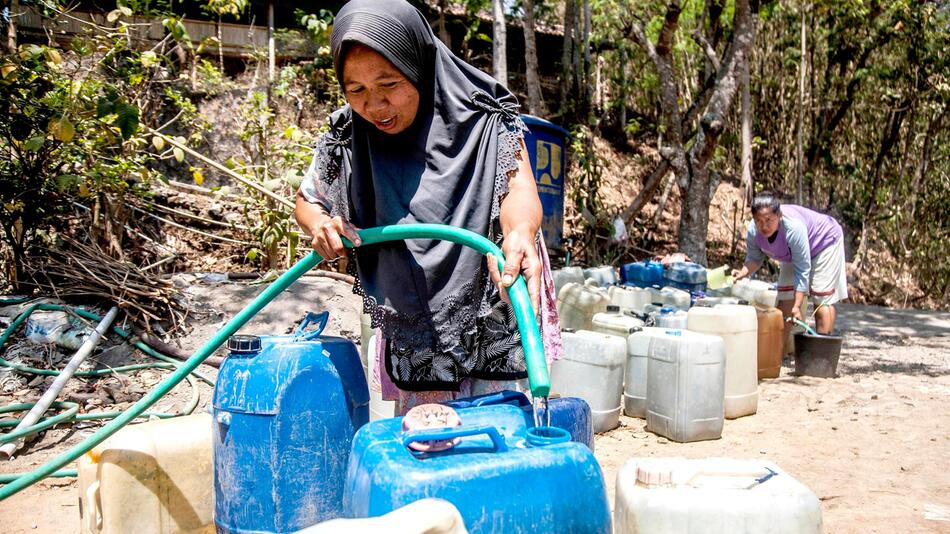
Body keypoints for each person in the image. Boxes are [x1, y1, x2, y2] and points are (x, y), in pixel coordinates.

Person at [293, 0, 562, 414]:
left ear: (417, 64)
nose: (375, 106)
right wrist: (322, 224)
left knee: (497, 422)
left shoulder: (484, 114)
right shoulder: (347, 134)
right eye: (356, 90)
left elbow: (518, 187)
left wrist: (520, 232)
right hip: (412, 304)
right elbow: (309, 199)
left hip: (491, 281)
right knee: (428, 432)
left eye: (389, 84)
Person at [733, 192, 848, 338]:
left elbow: (802, 269)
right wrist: (743, 272)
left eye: (768, 220)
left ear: (779, 215)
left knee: (821, 300)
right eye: (759, 221)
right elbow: (754, 259)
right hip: (793, 253)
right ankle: (779, 353)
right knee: (785, 297)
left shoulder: (792, 228)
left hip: (824, 242)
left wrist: (798, 306)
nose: (764, 226)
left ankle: (822, 353)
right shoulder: (753, 231)